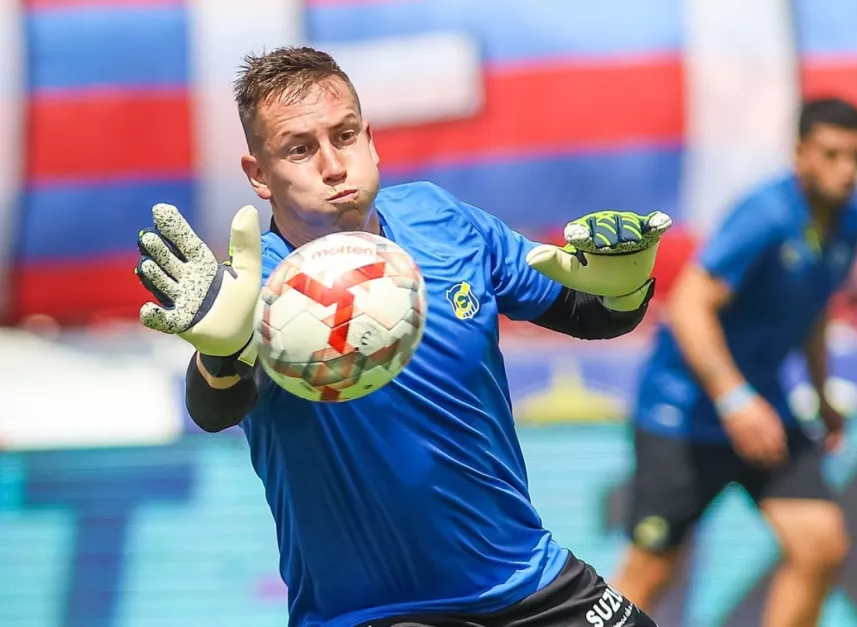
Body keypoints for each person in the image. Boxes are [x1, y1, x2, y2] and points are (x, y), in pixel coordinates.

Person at [133, 46, 671, 627]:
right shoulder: (252, 291)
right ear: (258, 174)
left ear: (370, 139)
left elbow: (585, 311)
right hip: (374, 614)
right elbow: (214, 406)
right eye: (299, 148)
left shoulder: (442, 219)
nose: (332, 165)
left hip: (528, 584)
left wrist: (626, 283)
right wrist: (222, 354)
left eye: (343, 137)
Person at [614, 98, 857, 627]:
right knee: (649, 575)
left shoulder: (852, 221)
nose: (846, 171)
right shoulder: (766, 215)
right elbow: (688, 304)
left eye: (856, 158)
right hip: (683, 417)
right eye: (831, 154)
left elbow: (815, 306)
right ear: (800, 153)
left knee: (820, 546)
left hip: (765, 413)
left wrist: (822, 395)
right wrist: (733, 399)